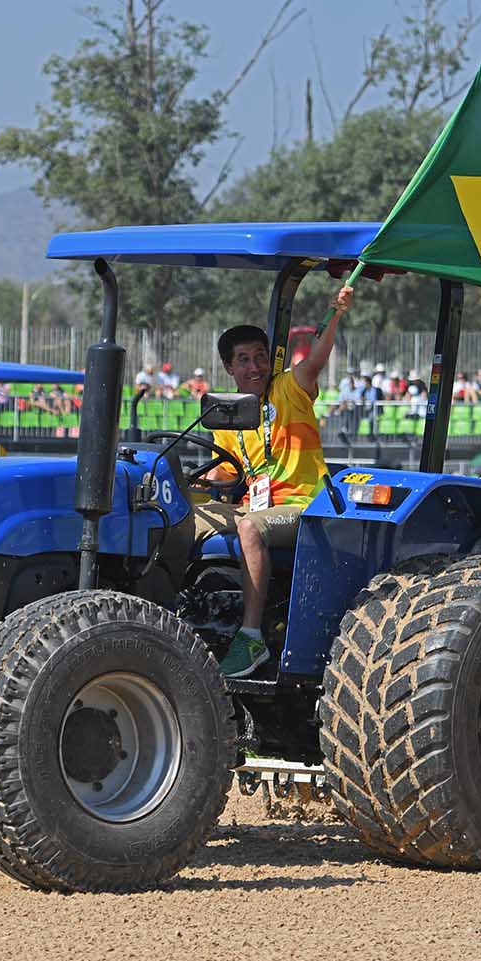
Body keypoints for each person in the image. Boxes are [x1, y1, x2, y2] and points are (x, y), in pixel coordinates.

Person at [188, 283, 354, 678]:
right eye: (244, 360)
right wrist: (194, 487)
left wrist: (335, 315)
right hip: (254, 505)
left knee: (249, 527)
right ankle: (177, 619)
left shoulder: (289, 389)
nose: (255, 367)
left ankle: (251, 637)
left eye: (260, 357)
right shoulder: (227, 414)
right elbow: (224, 474)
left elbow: (316, 358)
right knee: (179, 520)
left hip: (303, 506)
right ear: (229, 369)